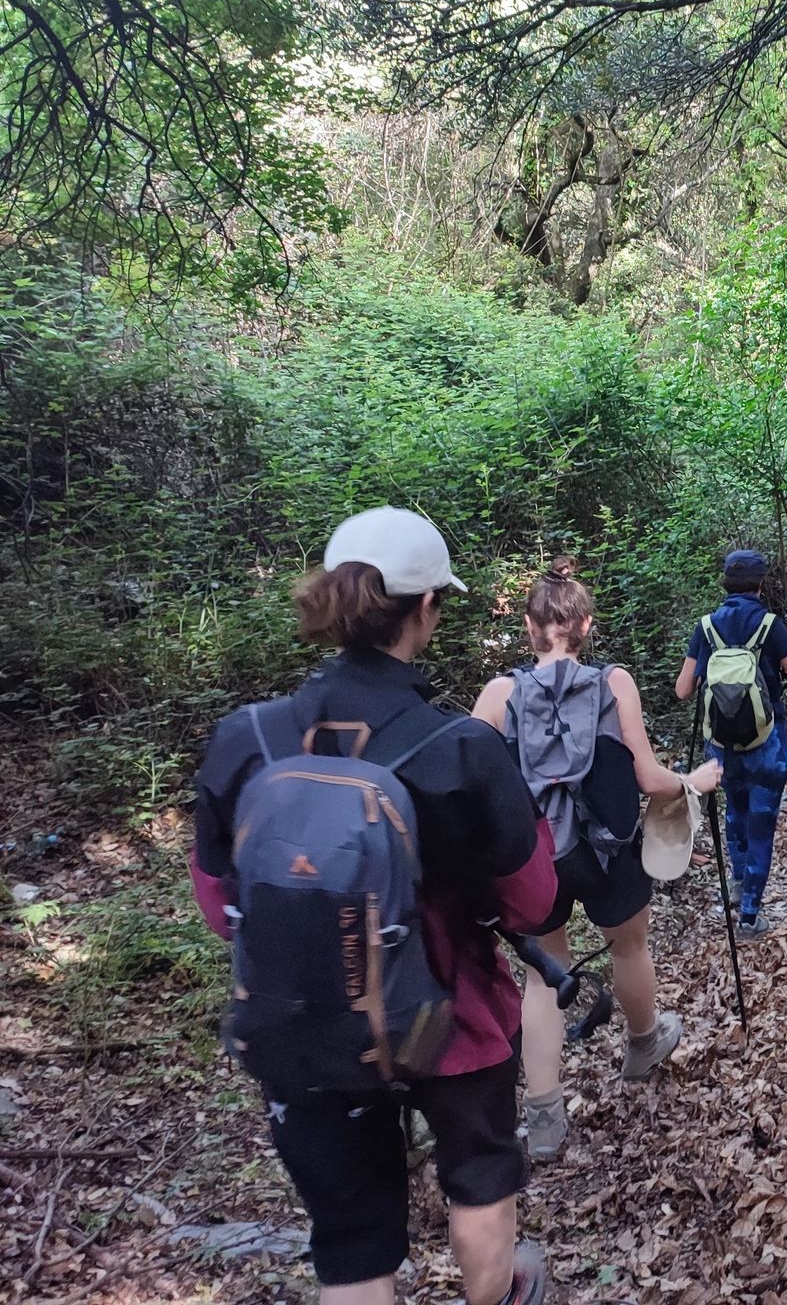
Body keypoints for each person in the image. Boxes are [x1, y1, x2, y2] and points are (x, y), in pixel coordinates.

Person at [187, 507, 556, 1305]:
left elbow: (222, 905)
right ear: (426, 607)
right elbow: (534, 900)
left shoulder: (245, 740)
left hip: (303, 1026)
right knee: (481, 1185)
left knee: (352, 1244)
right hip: (454, 1026)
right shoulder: (462, 748)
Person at [469, 560, 724, 1162]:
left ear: (530, 627)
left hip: (533, 857)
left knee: (541, 973)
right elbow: (645, 776)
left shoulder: (498, 695)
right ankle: (643, 1042)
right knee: (629, 946)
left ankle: (546, 1116)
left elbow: (471, 786)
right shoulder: (615, 684)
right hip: (609, 847)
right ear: (585, 625)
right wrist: (693, 782)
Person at [674, 550, 787, 937]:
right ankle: (749, 914)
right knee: (762, 824)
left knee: (734, 815)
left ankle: (740, 885)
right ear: (761, 583)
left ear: (725, 582)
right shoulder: (771, 625)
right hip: (766, 742)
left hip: (722, 746)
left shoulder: (706, 626)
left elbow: (682, 690)